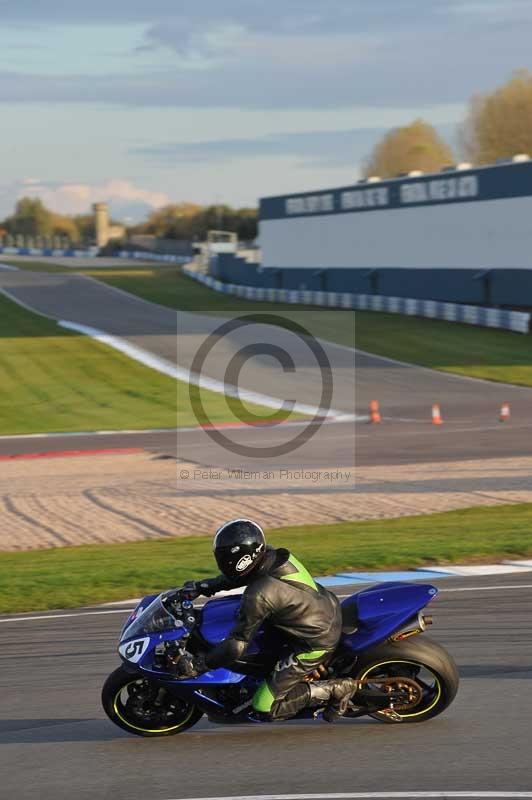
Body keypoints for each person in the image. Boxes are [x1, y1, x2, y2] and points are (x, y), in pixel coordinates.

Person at [177, 518, 358, 722]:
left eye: (225, 557)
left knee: (264, 707)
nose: (222, 561)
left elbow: (236, 646)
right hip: (321, 608)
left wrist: (199, 665)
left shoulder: (260, 594)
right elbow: (239, 576)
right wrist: (204, 587)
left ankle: (337, 688)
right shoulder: (271, 556)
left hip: (314, 641)